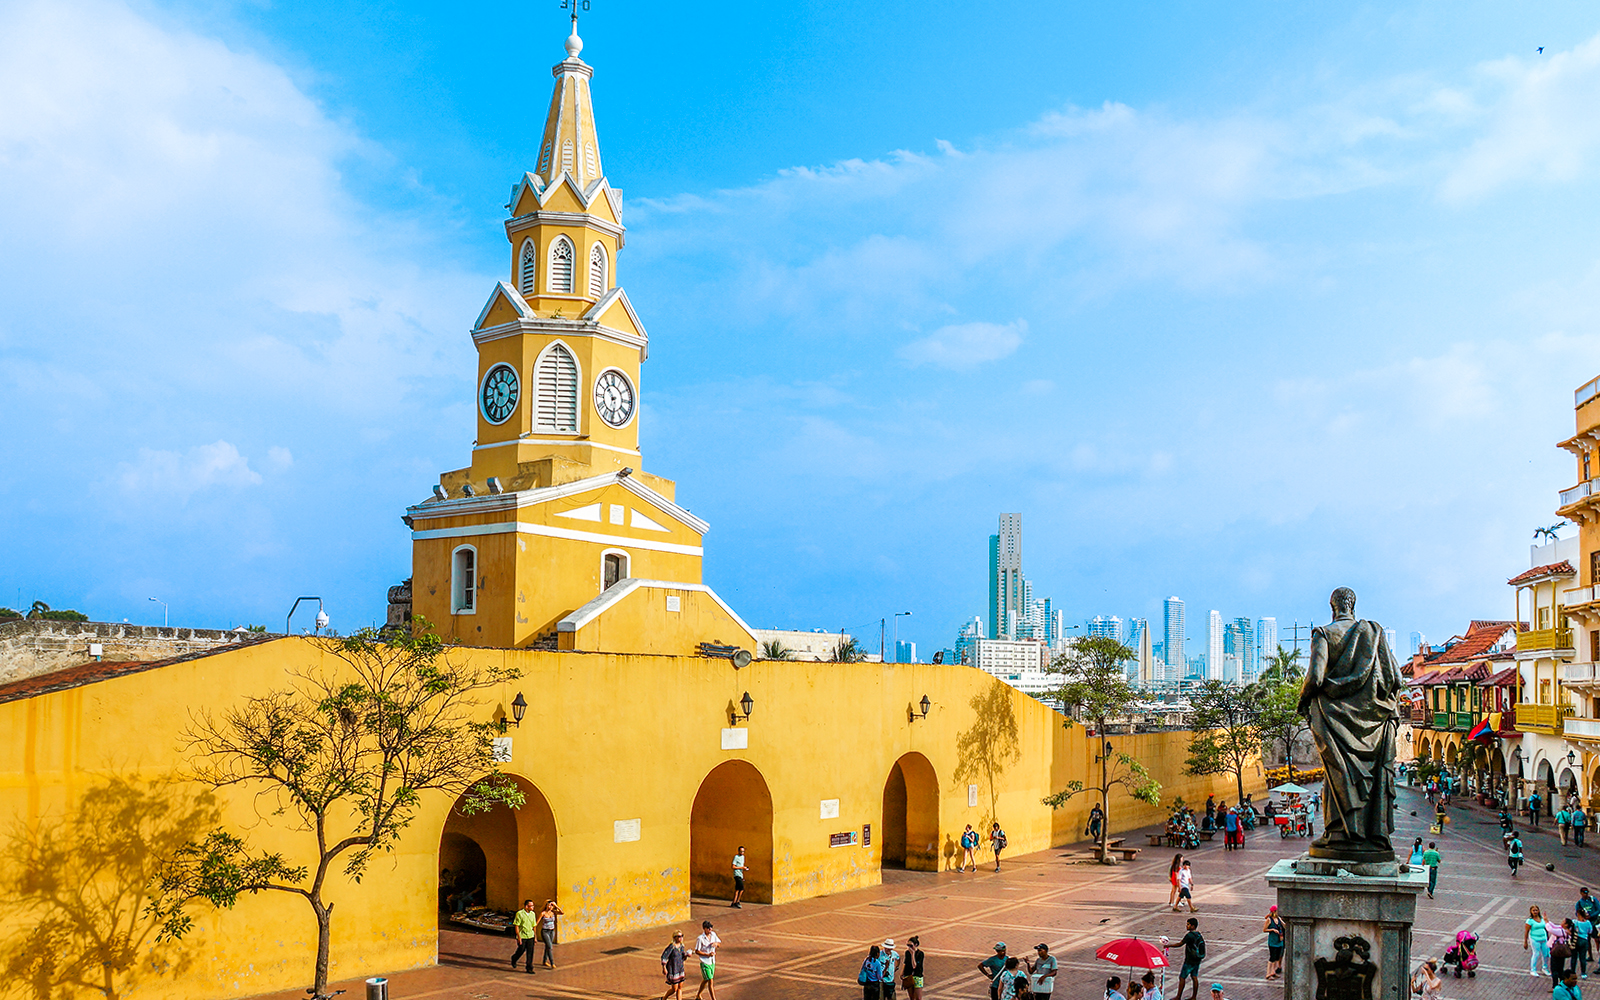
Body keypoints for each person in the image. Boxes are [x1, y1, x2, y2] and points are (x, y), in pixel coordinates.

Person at [1165, 917, 1205, 1000]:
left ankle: (1178, 996)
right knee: (1194, 977)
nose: (1187, 926)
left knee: (1182, 977)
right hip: (1197, 959)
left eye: (1188, 924)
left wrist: (1169, 945)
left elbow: (1180, 944)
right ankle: (1194, 997)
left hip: (1189, 960)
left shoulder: (1189, 935)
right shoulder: (1198, 934)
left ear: (1193, 926)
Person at [510, 899, 538, 974]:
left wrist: (535, 937)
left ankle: (529, 967)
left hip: (530, 935)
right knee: (521, 950)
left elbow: (534, 926)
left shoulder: (533, 914)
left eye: (533, 905)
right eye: (531, 906)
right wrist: (518, 936)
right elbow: (517, 925)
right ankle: (514, 958)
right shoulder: (520, 914)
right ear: (526, 906)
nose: (532, 907)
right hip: (522, 935)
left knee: (530, 952)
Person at [694, 920, 720, 999]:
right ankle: (713, 999)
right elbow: (697, 951)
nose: (710, 929)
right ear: (704, 929)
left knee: (706, 980)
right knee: (710, 980)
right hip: (705, 962)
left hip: (712, 961)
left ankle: (698, 994)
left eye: (711, 928)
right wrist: (707, 954)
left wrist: (716, 944)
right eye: (708, 928)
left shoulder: (713, 935)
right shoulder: (700, 938)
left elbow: (719, 943)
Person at [661, 930, 688, 1000]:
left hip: (680, 968)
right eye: (679, 936)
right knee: (674, 988)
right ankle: (664, 998)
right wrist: (664, 967)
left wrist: (687, 955)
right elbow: (664, 956)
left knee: (680, 987)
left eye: (682, 936)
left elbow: (683, 957)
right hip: (673, 969)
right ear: (675, 937)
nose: (681, 938)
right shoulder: (672, 947)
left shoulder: (682, 946)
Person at [538, 898, 564, 968]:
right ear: (546, 906)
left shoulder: (553, 912)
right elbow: (537, 922)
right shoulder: (543, 913)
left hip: (552, 931)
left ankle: (544, 961)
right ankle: (552, 963)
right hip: (545, 931)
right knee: (549, 946)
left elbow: (562, 912)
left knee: (548, 946)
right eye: (549, 905)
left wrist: (556, 906)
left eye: (551, 906)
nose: (550, 907)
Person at [1530, 905, 1554, 978]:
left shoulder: (1542, 919)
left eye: (1536, 910)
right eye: (1533, 910)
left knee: (1545, 954)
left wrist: (1548, 938)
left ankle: (1545, 968)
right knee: (1536, 954)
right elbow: (1527, 931)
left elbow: (1546, 928)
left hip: (1544, 939)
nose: (1535, 912)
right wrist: (1525, 941)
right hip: (1535, 939)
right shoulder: (1530, 921)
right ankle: (1533, 969)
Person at [1263, 905, 1286, 980]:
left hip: (1279, 940)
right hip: (1272, 941)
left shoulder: (1278, 918)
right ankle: (1268, 973)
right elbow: (1264, 929)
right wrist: (1272, 929)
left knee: (1277, 957)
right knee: (1272, 957)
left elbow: (1284, 925)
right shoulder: (1269, 920)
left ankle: (1273, 971)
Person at [902, 935, 926, 1000]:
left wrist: (913, 954)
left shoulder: (920, 954)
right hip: (909, 975)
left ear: (916, 945)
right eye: (908, 945)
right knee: (911, 997)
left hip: (917, 976)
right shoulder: (907, 953)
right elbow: (906, 963)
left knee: (918, 998)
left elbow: (914, 966)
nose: (909, 947)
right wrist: (902, 973)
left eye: (911, 946)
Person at [1574, 910, 1594, 980]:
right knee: (1583, 958)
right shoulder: (1588, 922)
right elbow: (1590, 931)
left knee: (1574, 957)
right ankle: (1583, 973)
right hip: (1584, 940)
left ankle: (1573, 972)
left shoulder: (1575, 922)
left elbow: (1573, 930)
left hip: (1576, 939)